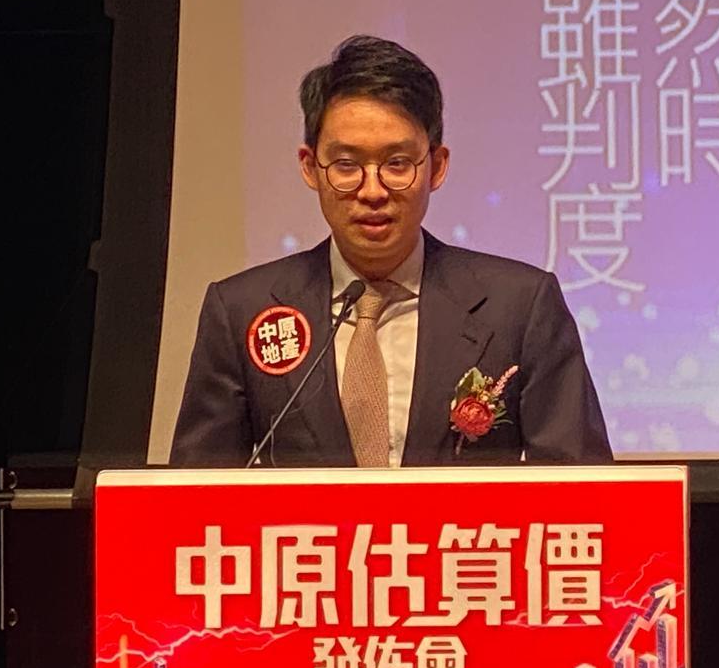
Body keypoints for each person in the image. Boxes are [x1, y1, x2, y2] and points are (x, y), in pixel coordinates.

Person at [170, 34, 611, 467]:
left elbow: (584, 487)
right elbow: (192, 495)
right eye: (346, 165)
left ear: (436, 166)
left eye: (397, 164)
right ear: (310, 167)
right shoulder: (242, 312)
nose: (372, 191)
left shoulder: (520, 307)